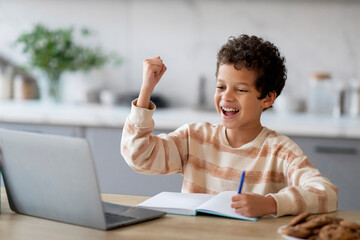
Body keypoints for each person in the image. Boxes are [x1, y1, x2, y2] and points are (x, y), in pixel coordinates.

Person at [121, 34, 338, 218]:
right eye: (221, 86)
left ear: (268, 98)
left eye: (241, 90)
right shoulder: (194, 137)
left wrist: (271, 204)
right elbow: (140, 157)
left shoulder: (280, 151)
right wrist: (146, 90)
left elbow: (326, 194)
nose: (227, 97)